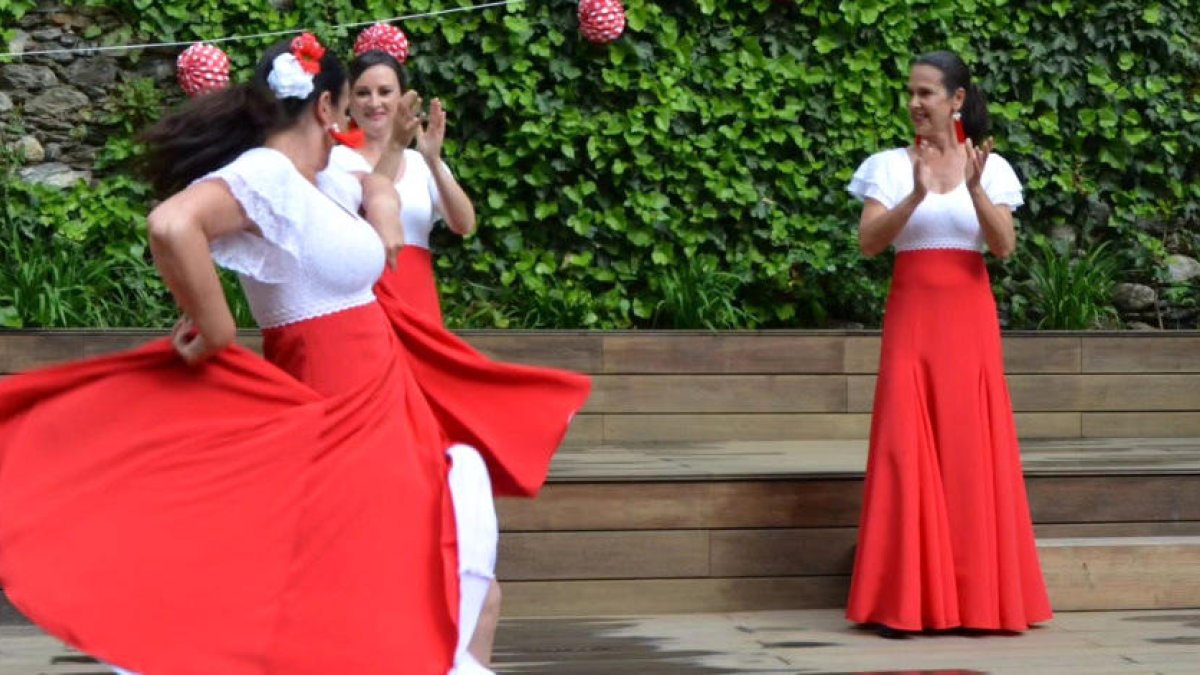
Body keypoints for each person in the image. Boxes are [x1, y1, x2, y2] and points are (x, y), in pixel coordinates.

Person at [0, 33, 590, 674]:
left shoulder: (319, 176)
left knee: (441, 589)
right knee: (392, 596)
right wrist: (215, 328)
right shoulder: (268, 173)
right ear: (327, 108)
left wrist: (386, 209)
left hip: (383, 412)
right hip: (338, 408)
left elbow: (373, 179)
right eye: (345, 108)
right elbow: (172, 224)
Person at [844, 50, 1052, 636]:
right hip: (912, 320)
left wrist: (976, 190)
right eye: (911, 92)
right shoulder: (886, 166)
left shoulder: (991, 165)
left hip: (968, 324)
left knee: (969, 447)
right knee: (905, 447)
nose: (915, 103)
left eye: (927, 93)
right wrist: (912, 196)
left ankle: (978, 600)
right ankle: (904, 603)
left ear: (957, 100)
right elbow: (868, 244)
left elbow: (1004, 247)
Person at [315, 25, 503, 667]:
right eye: (363, 92)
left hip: (420, 300)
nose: (374, 102)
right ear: (345, 102)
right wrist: (394, 153)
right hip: (369, 297)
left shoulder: (418, 152)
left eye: (385, 91)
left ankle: (437, 536)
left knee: (432, 428)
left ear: (403, 96)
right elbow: (372, 217)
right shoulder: (337, 155)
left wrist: (432, 156)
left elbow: (463, 223)